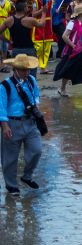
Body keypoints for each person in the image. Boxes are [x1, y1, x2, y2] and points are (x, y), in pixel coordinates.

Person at [0, 53, 43, 194]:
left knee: (36, 150)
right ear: (15, 69)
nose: (27, 72)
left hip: (30, 121)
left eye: (28, 69)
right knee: (10, 158)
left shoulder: (31, 80)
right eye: (23, 69)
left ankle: (27, 176)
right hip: (12, 123)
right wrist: (5, 126)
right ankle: (11, 185)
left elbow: (36, 94)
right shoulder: (5, 85)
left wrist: (36, 104)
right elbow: (1, 107)